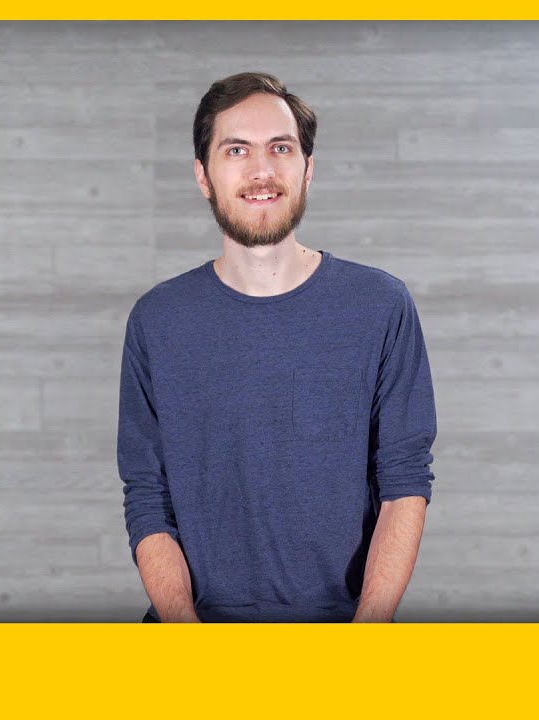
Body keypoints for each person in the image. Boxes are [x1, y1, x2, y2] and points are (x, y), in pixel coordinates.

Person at [117, 71, 437, 623]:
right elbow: (147, 494)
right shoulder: (158, 320)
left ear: (307, 169)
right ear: (203, 175)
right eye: (236, 149)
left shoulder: (380, 306)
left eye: (280, 148)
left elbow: (404, 481)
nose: (261, 170)